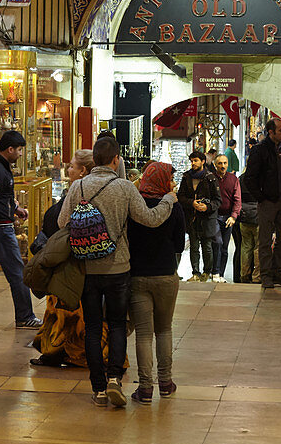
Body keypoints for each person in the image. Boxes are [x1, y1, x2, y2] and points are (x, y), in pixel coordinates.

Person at [57, 135, 175, 408]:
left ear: (93, 161)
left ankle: (98, 389)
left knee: (93, 329)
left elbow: (63, 222)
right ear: (115, 160)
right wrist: (168, 200)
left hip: (86, 268)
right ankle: (114, 380)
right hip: (118, 268)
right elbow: (150, 219)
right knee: (118, 324)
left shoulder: (79, 186)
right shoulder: (123, 187)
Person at [30, 149, 97, 368]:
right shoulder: (92, 191)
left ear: (82, 171)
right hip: (84, 262)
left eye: (72, 166)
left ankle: (60, 350)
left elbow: (61, 224)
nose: (68, 169)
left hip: (68, 263)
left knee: (64, 309)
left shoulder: (78, 193)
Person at [126, 161, 185, 403]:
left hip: (138, 276)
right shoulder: (173, 207)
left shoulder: (134, 206)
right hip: (166, 276)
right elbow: (181, 244)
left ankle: (145, 388)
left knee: (143, 335)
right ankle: (165, 382)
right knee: (164, 330)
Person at [0, 130, 39, 330]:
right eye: (19, 150)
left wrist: (15, 208)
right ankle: (25, 316)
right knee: (18, 273)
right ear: (10, 149)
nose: (20, 154)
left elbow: (1, 196)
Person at [240, 118, 281, 288]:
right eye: (280, 130)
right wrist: (261, 197)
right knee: (264, 240)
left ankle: (278, 272)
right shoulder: (259, 150)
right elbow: (249, 178)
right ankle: (265, 275)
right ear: (271, 133)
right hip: (267, 202)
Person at [178, 150, 221, 282]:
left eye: (196, 161)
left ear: (203, 162)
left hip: (207, 218)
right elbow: (181, 196)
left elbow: (218, 200)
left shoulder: (210, 178)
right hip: (192, 218)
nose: (193, 163)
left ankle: (206, 272)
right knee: (194, 247)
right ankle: (195, 273)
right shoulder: (186, 177)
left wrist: (207, 207)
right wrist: (192, 203)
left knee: (207, 247)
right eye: (191, 161)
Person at [212, 154, 241, 283]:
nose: (223, 166)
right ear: (215, 165)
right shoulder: (210, 178)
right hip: (214, 216)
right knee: (217, 243)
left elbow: (237, 199)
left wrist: (234, 216)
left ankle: (220, 274)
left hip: (228, 218)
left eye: (225, 163)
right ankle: (215, 272)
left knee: (224, 247)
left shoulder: (233, 179)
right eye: (220, 163)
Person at [238, 179, 261, 283]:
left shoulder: (242, 178)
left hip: (245, 217)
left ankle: (244, 275)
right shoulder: (261, 177)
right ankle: (257, 276)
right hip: (258, 216)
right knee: (258, 248)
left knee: (245, 247)